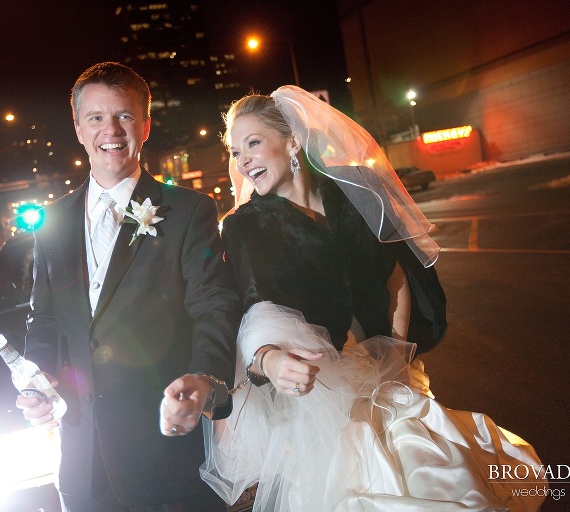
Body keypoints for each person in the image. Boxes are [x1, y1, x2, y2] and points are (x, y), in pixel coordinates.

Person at [200, 86, 546, 511]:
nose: (243, 161)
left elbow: (395, 276)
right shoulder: (245, 227)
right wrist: (270, 359)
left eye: (253, 143)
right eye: (236, 152)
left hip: (389, 376)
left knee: (434, 473)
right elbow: (253, 314)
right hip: (321, 402)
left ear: (292, 141)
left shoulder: (352, 194)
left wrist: (395, 357)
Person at [17, 62, 242, 512]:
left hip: (168, 455)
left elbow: (213, 306)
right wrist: (37, 381)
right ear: (79, 129)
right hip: (84, 463)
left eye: (124, 115)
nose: (112, 130)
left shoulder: (188, 211)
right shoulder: (51, 222)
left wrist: (204, 379)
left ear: (146, 125)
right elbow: (43, 320)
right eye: (96, 117)